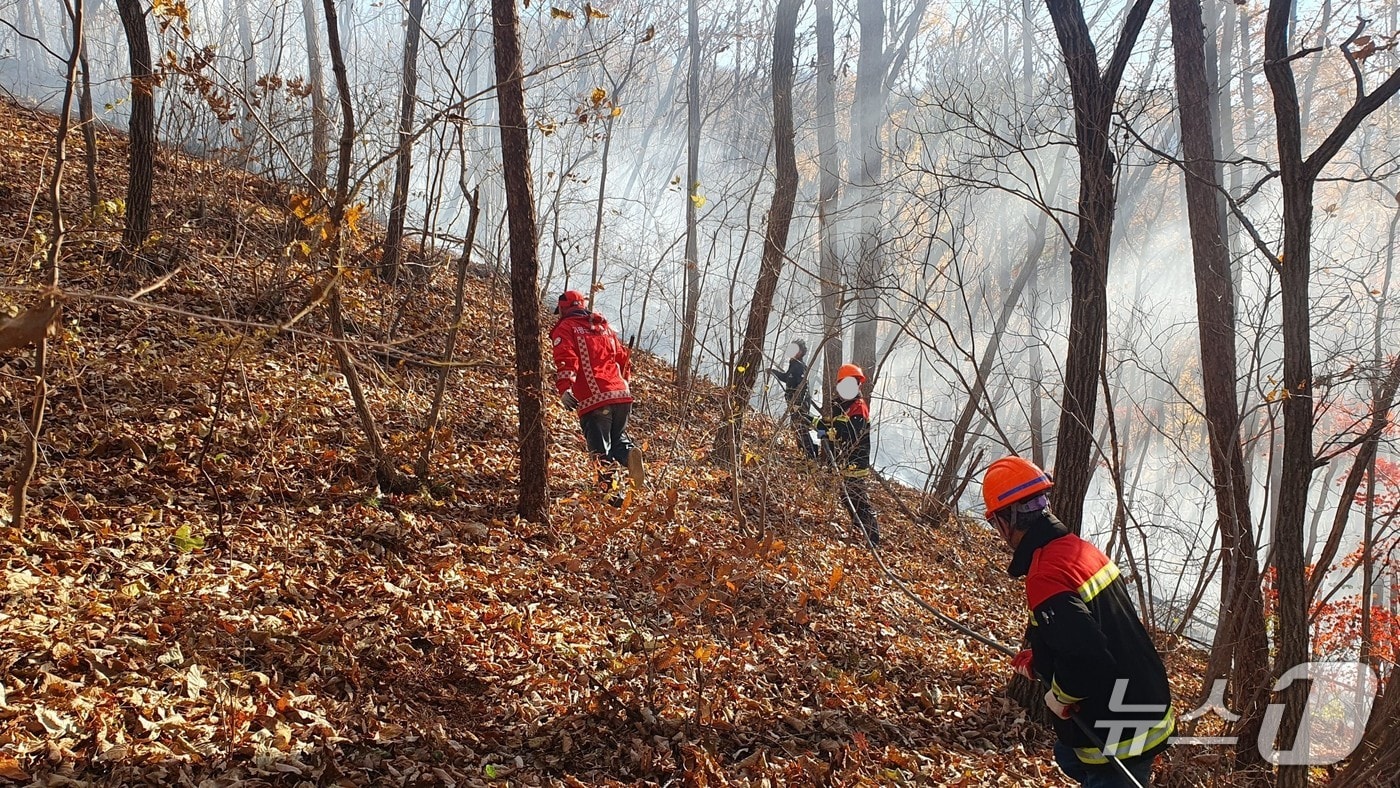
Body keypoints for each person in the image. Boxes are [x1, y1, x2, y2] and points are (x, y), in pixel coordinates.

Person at [983, 456, 1173, 787]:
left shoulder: (1044, 574)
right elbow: (1094, 630)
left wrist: (1060, 695)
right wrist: (1043, 659)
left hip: (1121, 730)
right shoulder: (1079, 551)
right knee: (1067, 754)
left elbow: (1088, 656)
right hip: (1146, 700)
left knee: (1094, 768)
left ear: (1004, 521)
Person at [549, 290, 645, 492]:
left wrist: (565, 388)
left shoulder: (566, 328)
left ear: (564, 309)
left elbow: (566, 358)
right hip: (622, 396)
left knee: (600, 450)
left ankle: (609, 494)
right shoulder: (604, 328)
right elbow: (623, 359)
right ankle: (629, 456)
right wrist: (624, 383)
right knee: (617, 438)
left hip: (595, 399)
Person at [820, 363, 880, 546]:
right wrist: (817, 424)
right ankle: (861, 530)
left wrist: (830, 432)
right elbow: (831, 424)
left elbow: (850, 434)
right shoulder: (843, 405)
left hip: (857, 460)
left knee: (858, 499)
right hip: (846, 459)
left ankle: (873, 539)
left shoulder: (858, 408)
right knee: (847, 497)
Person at [767, 339, 820, 459]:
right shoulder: (793, 365)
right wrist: (773, 371)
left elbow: (803, 387)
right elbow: (787, 377)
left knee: (801, 428)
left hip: (800, 404)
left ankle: (811, 455)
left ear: (801, 352)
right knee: (796, 428)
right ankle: (806, 453)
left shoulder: (800, 367)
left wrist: (798, 404)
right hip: (793, 403)